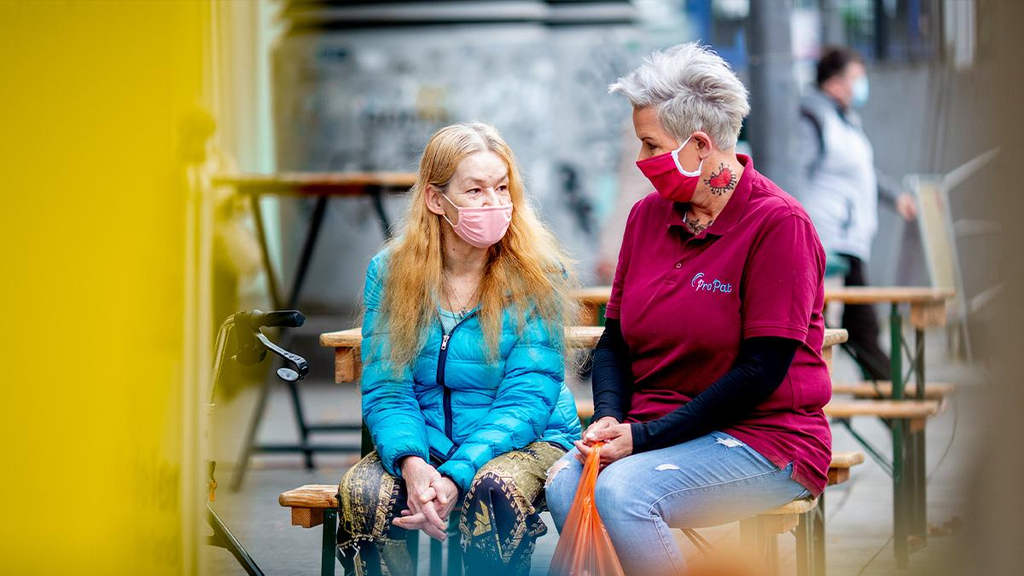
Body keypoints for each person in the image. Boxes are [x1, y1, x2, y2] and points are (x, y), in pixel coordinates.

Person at [544, 43, 832, 576]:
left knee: (624, 493)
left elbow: (761, 371)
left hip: (763, 436)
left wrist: (645, 439)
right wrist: (610, 416)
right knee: (566, 483)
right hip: (656, 427)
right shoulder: (646, 217)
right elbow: (615, 340)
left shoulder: (779, 225)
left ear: (699, 146)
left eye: (651, 145)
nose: (640, 160)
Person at [337, 123, 581, 576]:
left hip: (527, 438)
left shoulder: (537, 273)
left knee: (493, 490)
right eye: (475, 190)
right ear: (436, 200)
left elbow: (528, 398)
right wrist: (412, 463)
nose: (494, 202)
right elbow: (387, 388)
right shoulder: (390, 272)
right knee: (366, 494)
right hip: (426, 440)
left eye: (502, 187)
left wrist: (457, 472)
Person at [796, 46, 918, 380]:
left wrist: (896, 198)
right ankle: (900, 412)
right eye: (856, 78)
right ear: (834, 83)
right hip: (829, 245)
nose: (861, 84)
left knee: (858, 333)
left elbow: (867, 173)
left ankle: (899, 409)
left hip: (848, 241)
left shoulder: (845, 121)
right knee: (854, 331)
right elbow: (794, 177)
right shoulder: (814, 119)